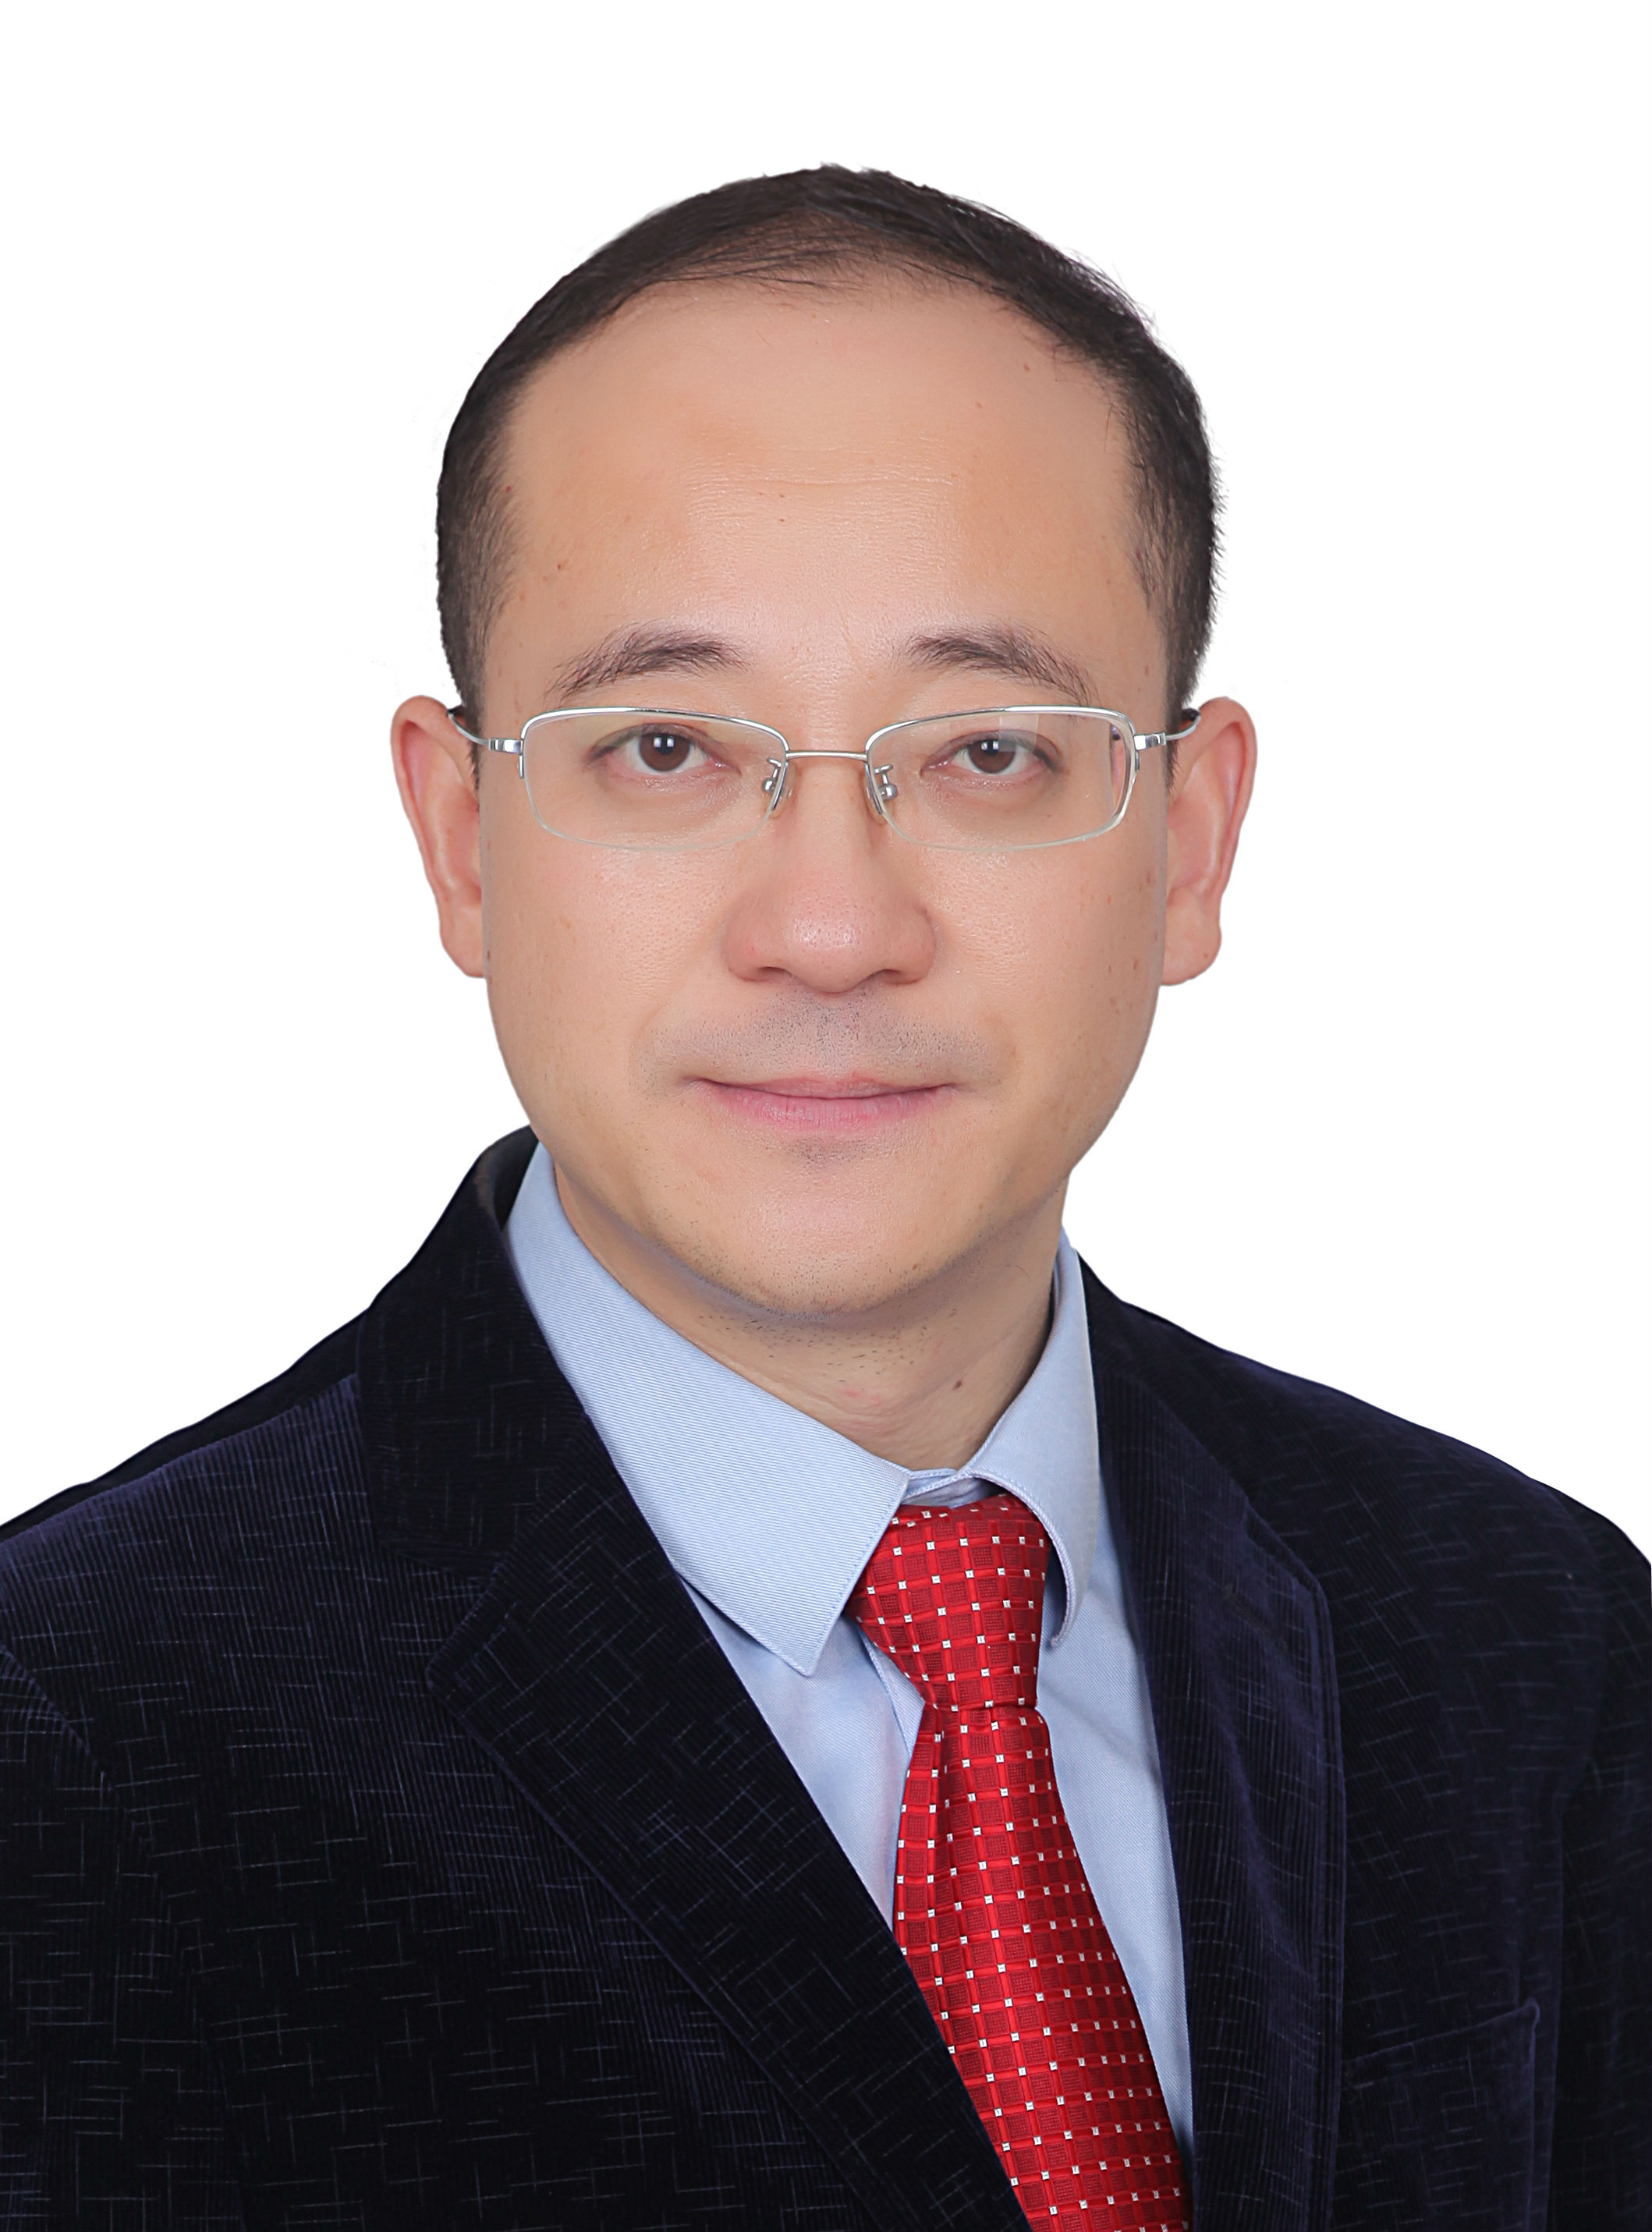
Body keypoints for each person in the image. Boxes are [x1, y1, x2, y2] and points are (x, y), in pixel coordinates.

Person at [0, 165, 1644, 2232]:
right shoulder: (69, 1744)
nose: (834, 926)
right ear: (462, 838)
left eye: (991, 754)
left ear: (1190, 842)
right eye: (664, 749)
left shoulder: (1530, 1643)